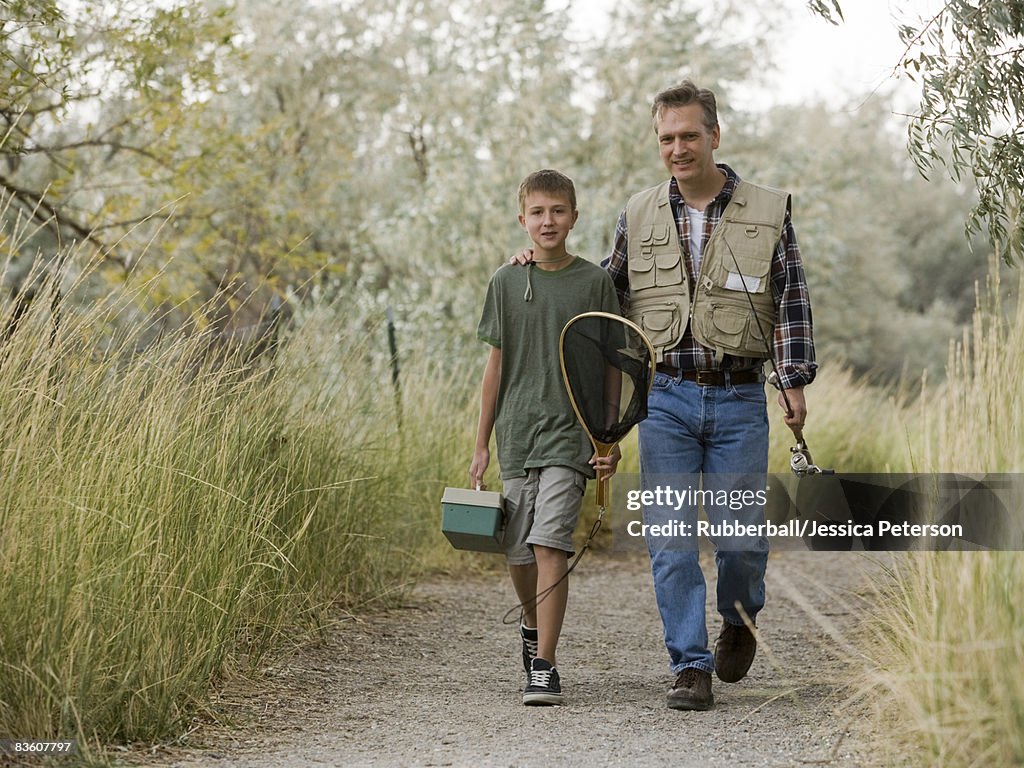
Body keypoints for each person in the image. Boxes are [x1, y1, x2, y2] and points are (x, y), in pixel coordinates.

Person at [513, 79, 816, 711]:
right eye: (666, 139)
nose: (678, 149)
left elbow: (791, 298)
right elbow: (604, 293)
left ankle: (739, 618)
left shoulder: (766, 210)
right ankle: (690, 664)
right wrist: (544, 260)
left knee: (740, 542)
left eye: (688, 136)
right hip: (666, 401)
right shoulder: (640, 211)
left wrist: (793, 381)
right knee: (670, 536)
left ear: (714, 134)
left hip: (738, 400)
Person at [469, 169, 621, 706]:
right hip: (516, 434)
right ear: (522, 220)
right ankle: (532, 630)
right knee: (517, 552)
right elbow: (494, 367)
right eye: (537, 212)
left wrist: (607, 436)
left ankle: (545, 666)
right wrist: (482, 443)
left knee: (548, 541)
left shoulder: (594, 283)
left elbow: (611, 365)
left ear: (574, 218)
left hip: (571, 435)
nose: (547, 221)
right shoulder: (506, 281)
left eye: (557, 211)